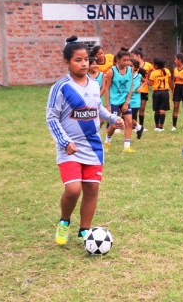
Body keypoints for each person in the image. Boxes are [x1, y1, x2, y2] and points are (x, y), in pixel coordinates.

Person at [47, 36, 124, 246]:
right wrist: (64, 141)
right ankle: (64, 222)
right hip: (69, 148)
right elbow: (52, 118)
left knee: (92, 189)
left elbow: (96, 108)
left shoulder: (93, 85)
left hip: (93, 147)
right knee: (73, 189)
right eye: (77, 60)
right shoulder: (60, 87)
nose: (84, 64)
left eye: (86, 60)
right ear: (67, 62)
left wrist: (113, 118)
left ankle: (84, 231)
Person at [103, 49, 135, 153]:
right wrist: (107, 104)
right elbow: (107, 88)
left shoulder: (130, 70)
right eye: (124, 60)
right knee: (114, 125)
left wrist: (126, 102)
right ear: (118, 60)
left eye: (128, 60)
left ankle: (127, 146)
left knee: (129, 122)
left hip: (124, 100)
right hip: (114, 101)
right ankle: (107, 141)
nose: (126, 62)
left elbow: (131, 86)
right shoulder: (112, 71)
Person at [130, 48, 153, 130]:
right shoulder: (131, 66)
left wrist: (149, 82)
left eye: (133, 56)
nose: (131, 58)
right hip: (133, 92)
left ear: (138, 56)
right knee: (133, 108)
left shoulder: (148, 65)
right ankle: (134, 126)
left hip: (143, 91)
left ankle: (141, 125)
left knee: (142, 109)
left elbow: (151, 75)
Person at [148, 58, 171, 132]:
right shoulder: (167, 71)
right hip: (165, 92)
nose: (152, 65)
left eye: (153, 64)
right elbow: (169, 81)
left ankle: (157, 126)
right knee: (162, 110)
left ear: (156, 65)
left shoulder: (153, 73)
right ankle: (161, 127)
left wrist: (146, 78)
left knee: (157, 110)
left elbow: (151, 84)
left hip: (156, 92)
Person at [129, 58, 147, 139]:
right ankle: (139, 127)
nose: (129, 68)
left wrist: (140, 87)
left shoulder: (139, 76)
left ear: (136, 68)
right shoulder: (125, 76)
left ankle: (138, 128)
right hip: (126, 100)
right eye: (128, 66)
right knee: (127, 118)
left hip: (135, 100)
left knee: (130, 119)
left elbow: (145, 81)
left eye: (131, 66)